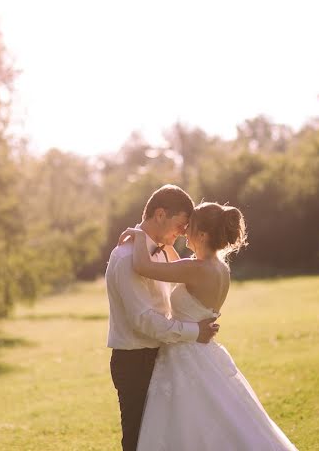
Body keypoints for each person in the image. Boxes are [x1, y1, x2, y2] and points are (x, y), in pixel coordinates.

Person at [122, 201, 298, 450]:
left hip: (184, 353)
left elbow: (143, 267)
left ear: (202, 235)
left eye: (189, 227)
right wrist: (168, 245)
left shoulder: (196, 268)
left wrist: (140, 234)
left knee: (189, 422)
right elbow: (178, 269)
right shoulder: (219, 269)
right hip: (205, 351)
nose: (184, 231)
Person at [104, 184, 220, 451]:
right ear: (160, 215)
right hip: (136, 360)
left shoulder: (163, 252)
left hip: (163, 354)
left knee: (167, 438)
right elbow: (144, 320)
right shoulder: (125, 257)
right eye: (180, 225)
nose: (183, 233)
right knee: (139, 440)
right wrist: (194, 331)